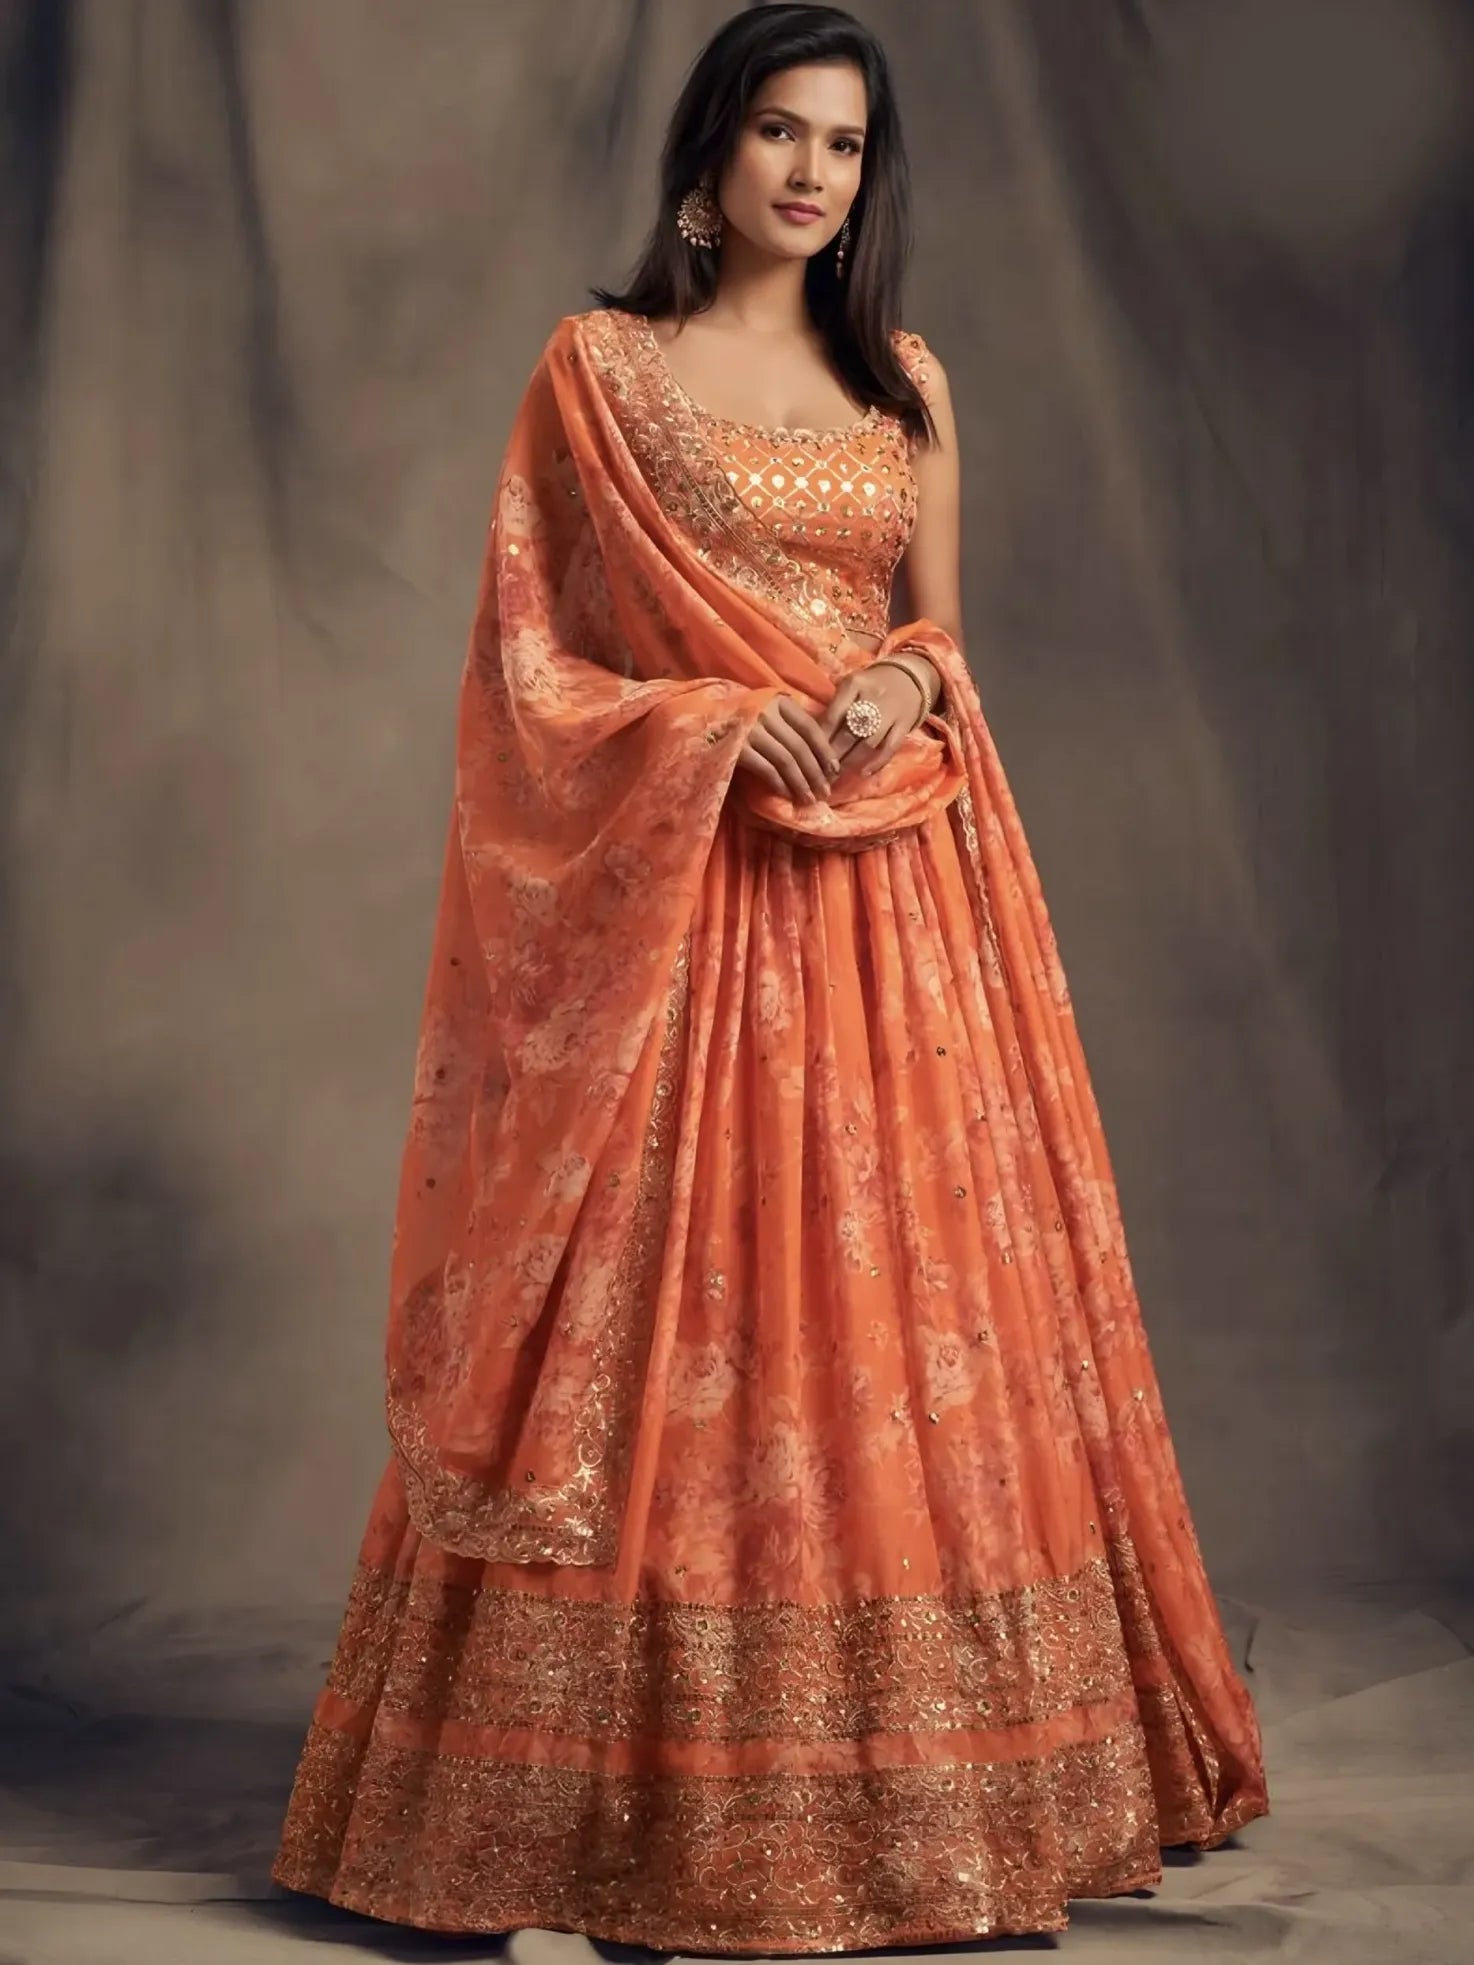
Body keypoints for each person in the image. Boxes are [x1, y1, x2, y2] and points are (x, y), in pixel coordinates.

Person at [270, 4, 1269, 1951]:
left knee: (885, 1321)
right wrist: (716, 725)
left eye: (846, 146)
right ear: (708, 150)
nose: (814, 174)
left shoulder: (903, 380)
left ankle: (890, 1790)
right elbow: (527, 675)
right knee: (665, 1331)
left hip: (895, 915)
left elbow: (937, 637)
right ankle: (596, 1809)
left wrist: (895, 676)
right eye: (780, 134)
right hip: (687, 922)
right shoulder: (600, 373)